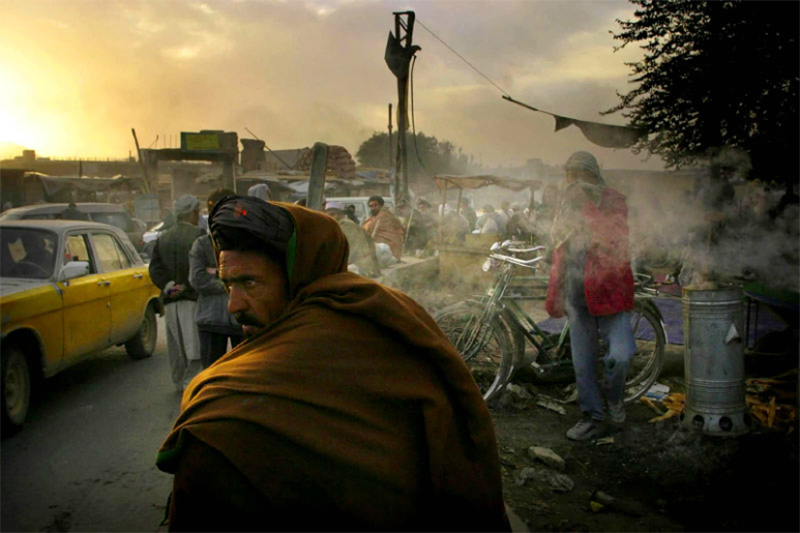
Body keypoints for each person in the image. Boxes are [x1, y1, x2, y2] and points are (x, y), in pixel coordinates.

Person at [156, 196, 509, 531]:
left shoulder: (351, 327)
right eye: (228, 283)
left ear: (299, 276)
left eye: (250, 282)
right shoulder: (384, 304)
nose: (234, 305)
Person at [546, 151, 636, 441]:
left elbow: (613, 239)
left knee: (621, 355)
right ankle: (592, 416)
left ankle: (614, 397)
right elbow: (559, 249)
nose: (573, 182)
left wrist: (585, 205)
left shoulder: (613, 201)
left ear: (593, 175)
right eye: (570, 175)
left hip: (610, 291)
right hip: (576, 293)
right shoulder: (566, 205)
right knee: (582, 365)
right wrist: (555, 293)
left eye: (579, 175)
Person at [149, 195, 206, 392]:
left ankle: (180, 383)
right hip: (193, 299)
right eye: (197, 211)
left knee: (177, 345)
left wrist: (170, 287)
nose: (198, 216)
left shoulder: (163, 237)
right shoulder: (199, 235)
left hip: (171, 299)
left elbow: (155, 269)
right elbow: (206, 268)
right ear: (192, 213)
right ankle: (193, 384)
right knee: (194, 345)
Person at [189, 189, 243, 368]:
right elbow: (197, 279)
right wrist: (230, 280)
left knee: (241, 373)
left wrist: (215, 272)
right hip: (215, 320)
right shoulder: (202, 244)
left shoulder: (245, 242)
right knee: (214, 373)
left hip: (239, 320)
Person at [324, 201, 381, 277]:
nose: (331, 217)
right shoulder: (336, 226)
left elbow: (349, 250)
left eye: (333, 214)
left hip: (360, 265)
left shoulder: (347, 225)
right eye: (328, 215)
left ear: (340, 214)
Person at [361, 194, 405, 260]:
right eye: (371, 206)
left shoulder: (384, 215)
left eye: (375, 205)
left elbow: (370, 228)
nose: (373, 208)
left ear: (381, 205)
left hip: (389, 244)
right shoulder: (372, 216)